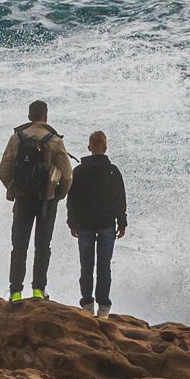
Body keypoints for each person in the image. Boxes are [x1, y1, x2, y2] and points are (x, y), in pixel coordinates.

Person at [0, 99, 73, 304]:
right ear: (46, 115)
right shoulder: (55, 140)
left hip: (22, 199)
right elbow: (67, 176)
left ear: (29, 115)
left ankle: (15, 292)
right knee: (42, 246)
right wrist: (57, 195)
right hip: (45, 202)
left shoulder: (17, 137)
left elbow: (3, 170)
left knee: (19, 245)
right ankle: (39, 290)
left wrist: (13, 188)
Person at [66, 131, 127, 319]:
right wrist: (122, 222)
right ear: (105, 148)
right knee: (103, 265)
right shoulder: (113, 171)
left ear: (89, 148)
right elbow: (120, 199)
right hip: (107, 224)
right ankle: (103, 308)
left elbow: (72, 199)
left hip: (85, 225)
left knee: (86, 265)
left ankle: (86, 303)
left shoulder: (79, 171)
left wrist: (72, 222)